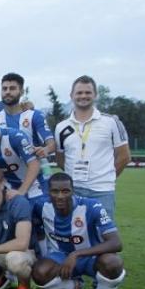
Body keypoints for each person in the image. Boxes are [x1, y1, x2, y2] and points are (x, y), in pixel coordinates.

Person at [31, 172, 126, 289]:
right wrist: (43, 257)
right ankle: (71, 286)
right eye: (55, 191)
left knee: (113, 263)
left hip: (91, 258)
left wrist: (76, 254)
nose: (60, 196)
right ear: (48, 192)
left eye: (65, 191)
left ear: (73, 190)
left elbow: (116, 243)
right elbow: (37, 232)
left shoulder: (91, 206)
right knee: (39, 273)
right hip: (60, 256)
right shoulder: (40, 206)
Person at [55, 75, 131, 219]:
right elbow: (60, 159)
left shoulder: (111, 122)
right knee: (74, 235)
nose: (83, 96)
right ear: (71, 95)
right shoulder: (61, 127)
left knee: (103, 236)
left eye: (88, 92)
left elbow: (124, 156)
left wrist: (107, 177)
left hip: (102, 191)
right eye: (79, 92)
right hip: (72, 191)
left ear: (95, 95)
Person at [0, 73, 55, 160]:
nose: (7, 92)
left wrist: (45, 150)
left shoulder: (35, 115)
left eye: (12, 88)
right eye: (4, 89)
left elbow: (51, 144)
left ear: (21, 92)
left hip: (34, 170)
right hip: (7, 171)